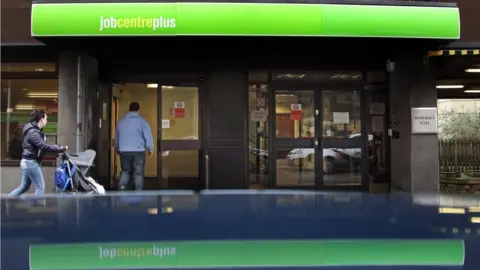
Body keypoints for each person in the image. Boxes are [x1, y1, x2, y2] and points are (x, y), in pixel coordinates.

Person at [8, 110, 68, 197]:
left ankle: (7, 202)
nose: (47, 121)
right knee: (40, 187)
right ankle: (37, 207)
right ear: (41, 119)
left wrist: (56, 147)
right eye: (46, 118)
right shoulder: (33, 132)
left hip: (28, 161)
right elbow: (43, 146)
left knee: (24, 187)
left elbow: (42, 146)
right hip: (30, 162)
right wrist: (61, 149)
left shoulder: (35, 131)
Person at [115, 102, 154, 191]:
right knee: (138, 173)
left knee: (125, 171)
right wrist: (150, 148)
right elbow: (148, 136)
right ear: (138, 110)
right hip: (138, 152)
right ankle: (138, 193)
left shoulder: (121, 122)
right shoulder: (142, 122)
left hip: (124, 152)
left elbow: (117, 138)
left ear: (129, 109)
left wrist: (117, 148)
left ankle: (121, 190)